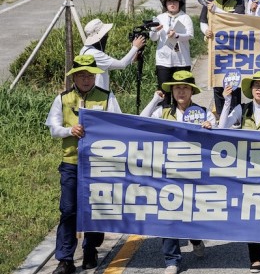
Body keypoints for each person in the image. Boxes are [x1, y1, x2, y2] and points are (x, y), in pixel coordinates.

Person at [46, 55, 121, 274]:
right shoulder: (63, 98)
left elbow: (118, 125)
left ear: (95, 77)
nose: (86, 80)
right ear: (74, 77)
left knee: (95, 209)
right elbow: (53, 129)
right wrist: (70, 130)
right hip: (71, 163)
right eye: (81, 75)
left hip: (98, 164)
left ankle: (90, 249)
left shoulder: (107, 97)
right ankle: (65, 259)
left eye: (90, 75)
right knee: (68, 210)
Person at [139, 70, 214, 274]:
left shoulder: (203, 113)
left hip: (194, 171)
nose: (181, 91)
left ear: (192, 91)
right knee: (168, 214)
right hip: (167, 172)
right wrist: (155, 100)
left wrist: (209, 127)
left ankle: (195, 238)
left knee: (191, 212)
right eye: (177, 88)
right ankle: (172, 260)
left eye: (185, 88)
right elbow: (140, 120)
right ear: (172, 91)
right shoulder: (162, 112)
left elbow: (217, 134)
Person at [219, 71, 260, 273]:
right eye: (256, 85)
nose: (259, 89)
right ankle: (255, 257)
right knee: (250, 212)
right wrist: (227, 101)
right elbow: (222, 126)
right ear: (251, 89)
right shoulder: (242, 108)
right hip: (246, 168)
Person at [149, 0, 193, 104]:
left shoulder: (185, 17)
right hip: (163, 61)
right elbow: (153, 38)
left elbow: (189, 35)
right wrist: (154, 30)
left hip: (181, 61)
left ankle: (181, 112)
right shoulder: (160, 17)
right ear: (165, 4)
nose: (172, 4)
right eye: (169, 1)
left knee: (181, 93)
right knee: (164, 93)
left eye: (175, 1)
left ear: (179, 3)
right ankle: (165, 112)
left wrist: (176, 35)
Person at [79, 18, 145, 93]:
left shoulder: (85, 50)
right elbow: (121, 64)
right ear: (100, 37)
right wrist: (135, 47)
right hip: (98, 95)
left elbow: (110, 65)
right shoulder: (95, 54)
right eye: (105, 34)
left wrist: (132, 59)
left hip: (94, 93)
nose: (107, 36)